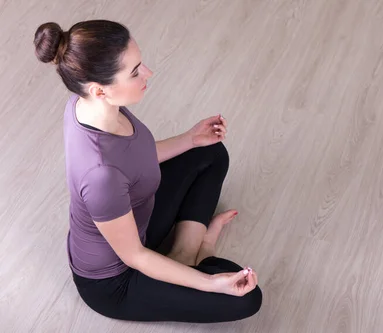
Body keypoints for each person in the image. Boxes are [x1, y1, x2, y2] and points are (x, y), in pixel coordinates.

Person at [33, 19, 262, 323]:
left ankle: (184, 252)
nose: (148, 73)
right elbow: (135, 256)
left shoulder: (88, 103)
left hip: (137, 216)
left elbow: (134, 158)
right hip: (117, 281)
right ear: (100, 90)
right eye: (135, 71)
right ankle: (199, 252)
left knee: (209, 151)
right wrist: (210, 282)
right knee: (247, 298)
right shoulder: (100, 176)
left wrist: (190, 139)